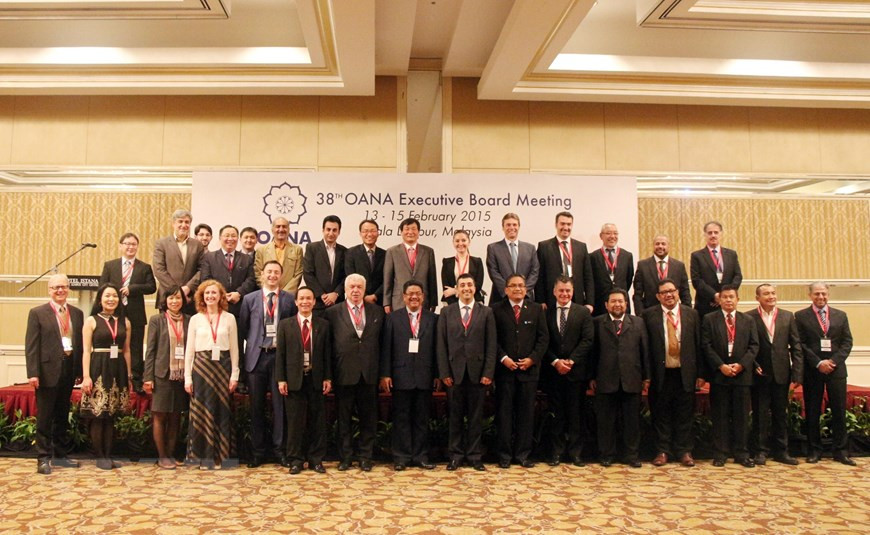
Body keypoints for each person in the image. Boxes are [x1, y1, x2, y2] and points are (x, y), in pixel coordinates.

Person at [238, 260, 297, 467]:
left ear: (281, 276)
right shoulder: (249, 299)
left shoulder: (289, 300)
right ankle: (257, 452)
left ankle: (279, 450)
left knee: (280, 407)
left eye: (276, 272)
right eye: (269, 272)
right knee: (256, 407)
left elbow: (292, 330)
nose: (272, 275)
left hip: (279, 358)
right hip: (256, 358)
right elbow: (244, 329)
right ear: (262, 274)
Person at [437, 273, 497, 471]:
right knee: (454, 417)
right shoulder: (447, 312)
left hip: (478, 373)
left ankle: (474, 455)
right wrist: (444, 371)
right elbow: (441, 345)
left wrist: (488, 372)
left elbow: (491, 345)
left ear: (475, 288)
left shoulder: (486, 312)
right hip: (453, 374)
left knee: (475, 417)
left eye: (470, 285)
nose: (466, 288)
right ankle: (455, 455)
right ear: (457, 288)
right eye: (462, 285)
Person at [25, 273, 84, 475]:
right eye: (55, 287)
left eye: (63, 287)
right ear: (49, 290)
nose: (60, 290)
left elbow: (79, 344)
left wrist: (79, 371)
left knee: (61, 414)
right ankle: (43, 458)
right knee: (45, 416)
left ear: (68, 289)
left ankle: (60, 456)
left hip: (68, 370)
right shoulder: (37, 313)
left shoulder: (76, 313)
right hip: (46, 372)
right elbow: (31, 346)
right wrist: (33, 373)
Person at [642, 278, 703, 467]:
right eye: (664, 292)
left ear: (678, 292)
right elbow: (645, 348)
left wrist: (700, 374)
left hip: (685, 373)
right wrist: (647, 375)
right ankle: (662, 451)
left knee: (684, 414)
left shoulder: (691, 314)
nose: (669, 295)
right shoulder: (648, 315)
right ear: (658, 297)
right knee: (660, 414)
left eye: (672, 291)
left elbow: (698, 345)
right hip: (661, 373)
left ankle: (684, 451)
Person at [326, 274, 384, 471]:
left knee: (369, 418)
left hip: (369, 373)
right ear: (345, 289)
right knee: (344, 419)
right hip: (344, 373)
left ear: (365, 290)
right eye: (352, 287)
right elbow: (328, 347)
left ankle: (366, 457)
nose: (356, 290)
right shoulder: (333, 313)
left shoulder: (377, 312)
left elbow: (383, 345)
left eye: (359, 287)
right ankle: (346, 457)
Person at [380, 280, 439, 471]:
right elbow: (386, 348)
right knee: (401, 418)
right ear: (404, 296)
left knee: (422, 418)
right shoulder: (393, 318)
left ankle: (421, 456)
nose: (414, 297)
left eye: (418, 293)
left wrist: (437, 374)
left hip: (425, 374)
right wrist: (386, 374)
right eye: (410, 293)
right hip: (400, 374)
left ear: (423, 296)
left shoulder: (433, 318)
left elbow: (438, 349)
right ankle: (402, 457)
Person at [492, 274, 548, 469]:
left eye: (521, 286)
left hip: (528, 372)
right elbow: (493, 340)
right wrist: (504, 358)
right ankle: (505, 455)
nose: (517, 289)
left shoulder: (536, 309)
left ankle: (523, 454)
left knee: (526, 414)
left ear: (527, 289)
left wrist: (532, 359)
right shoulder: (496, 309)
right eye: (513, 286)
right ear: (506, 289)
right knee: (504, 414)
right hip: (504, 371)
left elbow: (543, 339)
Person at [795, 282, 855, 466]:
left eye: (823, 294)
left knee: (838, 411)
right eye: (817, 294)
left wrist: (833, 361)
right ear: (810, 295)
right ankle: (814, 450)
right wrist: (819, 363)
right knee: (813, 411)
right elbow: (800, 344)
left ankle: (841, 451)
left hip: (836, 370)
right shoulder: (800, 316)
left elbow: (847, 342)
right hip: (813, 370)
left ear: (828, 294)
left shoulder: (840, 315)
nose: (820, 297)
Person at [590, 288, 649, 468]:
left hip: (631, 378)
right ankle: (606, 454)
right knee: (605, 421)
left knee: (632, 421)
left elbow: (644, 351)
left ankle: (631, 455)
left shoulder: (638, 323)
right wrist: (592, 376)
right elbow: (592, 353)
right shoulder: (597, 323)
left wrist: (647, 377)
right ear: (606, 305)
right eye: (613, 301)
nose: (617, 304)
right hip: (605, 379)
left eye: (621, 301)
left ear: (626, 304)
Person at [184, 280, 240, 470]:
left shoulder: (229, 318)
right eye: (207, 293)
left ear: (221, 296)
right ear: (201, 297)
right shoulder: (195, 319)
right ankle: (201, 457)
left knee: (221, 411)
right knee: (202, 412)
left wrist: (234, 375)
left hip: (222, 368)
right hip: (200, 369)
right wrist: (187, 377)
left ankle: (220, 457)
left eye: (214, 293)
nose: (210, 296)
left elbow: (234, 349)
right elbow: (189, 351)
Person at [701, 284, 758, 468]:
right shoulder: (709, 319)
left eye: (731, 297)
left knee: (742, 416)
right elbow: (706, 346)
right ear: (719, 300)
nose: (728, 300)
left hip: (742, 376)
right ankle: (721, 453)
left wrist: (741, 365)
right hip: (720, 375)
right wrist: (720, 366)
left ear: (737, 300)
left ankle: (741, 453)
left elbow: (754, 346)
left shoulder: (748, 320)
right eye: (724, 297)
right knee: (720, 416)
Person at [276, 287, 332, 474]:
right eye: (302, 299)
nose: (305, 302)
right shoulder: (285, 325)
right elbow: (280, 355)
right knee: (294, 422)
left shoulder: (323, 324)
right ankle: (295, 460)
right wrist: (281, 379)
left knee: (317, 421)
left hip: (316, 378)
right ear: (296, 302)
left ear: (314, 302)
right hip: (294, 379)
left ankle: (316, 459)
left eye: (309, 298)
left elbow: (327, 354)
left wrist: (328, 377)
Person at [746, 283, 803, 466]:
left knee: (780, 413)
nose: (771, 296)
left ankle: (781, 451)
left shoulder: (787, 316)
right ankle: (760, 451)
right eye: (766, 294)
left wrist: (797, 374)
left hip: (782, 373)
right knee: (760, 415)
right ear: (757, 298)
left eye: (773, 293)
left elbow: (796, 347)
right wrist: (753, 365)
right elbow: (746, 346)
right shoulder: (749, 317)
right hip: (759, 374)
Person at [79, 283, 133, 470]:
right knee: (98, 414)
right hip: (98, 367)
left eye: (115, 296)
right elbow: (86, 351)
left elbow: (126, 351)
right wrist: (86, 376)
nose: (111, 299)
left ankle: (109, 455)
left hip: (117, 369)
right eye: (107, 296)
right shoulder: (91, 321)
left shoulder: (125, 322)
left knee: (111, 415)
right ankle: (99, 456)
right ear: (100, 299)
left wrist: (128, 375)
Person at [541, 276, 593, 467]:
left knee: (576, 414)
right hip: (553, 372)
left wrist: (571, 361)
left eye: (568, 291)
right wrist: (555, 361)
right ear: (554, 292)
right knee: (556, 414)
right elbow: (542, 341)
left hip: (576, 372)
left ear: (573, 292)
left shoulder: (583, 312)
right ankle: (556, 452)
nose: (564, 294)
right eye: (561, 290)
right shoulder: (545, 313)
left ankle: (576, 453)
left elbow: (588, 340)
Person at [99, 232, 157, 393]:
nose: (130, 247)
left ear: (137, 247)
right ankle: (114, 377)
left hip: (136, 314)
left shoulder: (144, 267)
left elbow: (152, 287)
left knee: (136, 347)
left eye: (133, 244)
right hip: (114, 313)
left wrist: (132, 289)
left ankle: (136, 380)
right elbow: (102, 286)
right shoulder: (110, 265)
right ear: (121, 246)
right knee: (114, 344)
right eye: (127, 244)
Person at [143, 287, 190, 469]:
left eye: (178, 298)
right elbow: (151, 350)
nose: (174, 301)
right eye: (171, 298)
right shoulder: (157, 320)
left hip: (181, 375)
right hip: (162, 374)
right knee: (160, 416)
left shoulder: (189, 320)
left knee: (176, 416)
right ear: (165, 300)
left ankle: (171, 454)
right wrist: (148, 377)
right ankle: (162, 456)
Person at [535, 212, 593, 312]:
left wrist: (589, 302)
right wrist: (541, 300)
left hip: (577, 298)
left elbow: (588, 276)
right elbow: (540, 276)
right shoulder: (544, 246)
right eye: (562, 224)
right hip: (552, 299)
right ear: (556, 224)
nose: (566, 227)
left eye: (569, 224)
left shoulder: (581, 247)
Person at [153, 209, 205, 315]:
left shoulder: (197, 245)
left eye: (187, 222)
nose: (183, 225)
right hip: (168, 297)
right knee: (167, 331)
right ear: (173, 223)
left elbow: (202, 269)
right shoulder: (161, 244)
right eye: (180, 221)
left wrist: (188, 288)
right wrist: (176, 292)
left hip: (190, 297)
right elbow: (159, 270)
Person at [201, 225, 258, 318]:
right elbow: (205, 280)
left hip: (240, 306)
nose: (230, 238)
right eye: (227, 235)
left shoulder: (247, 259)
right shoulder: (209, 257)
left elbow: (251, 279)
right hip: (216, 305)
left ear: (238, 238)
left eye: (233, 236)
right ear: (220, 238)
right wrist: (221, 294)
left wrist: (239, 293)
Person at [383, 217, 438, 313]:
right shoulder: (392, 252)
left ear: (418, 232)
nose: (410, 232)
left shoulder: (428, 251)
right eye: (407, 229)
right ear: (401, 232)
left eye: (413, 229)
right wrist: (386, 302)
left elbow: (432, 279)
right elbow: (388, 279)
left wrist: (433, 302)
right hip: (399, 301)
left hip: (423, 302)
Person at [690, 221, 743, 318]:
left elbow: (738, 276)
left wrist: (726, 295)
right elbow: (697, 281)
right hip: (706, 305)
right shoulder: (697, 256)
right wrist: (714, 295)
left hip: (728, 304)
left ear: (721, 234)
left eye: (716, 232)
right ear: (705, 235)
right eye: (710, 233)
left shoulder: (731, 254)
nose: (713, 235)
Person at [486, 213, 539, 304]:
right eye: (508, 225)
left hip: (525, 299)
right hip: (501, 299)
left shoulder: (530, 248)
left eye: (514, 224)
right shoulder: (493, 248)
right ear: (503, 227)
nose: (511, 227)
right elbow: (493, 272)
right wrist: (508, 291)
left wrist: (523, 290)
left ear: (519, 227)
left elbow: (534, 271)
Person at [632, 234, 692, 312]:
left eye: (663, 244)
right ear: (653, 246)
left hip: (673, 312)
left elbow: (685, 293)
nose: (660, 246)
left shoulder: (679, 266)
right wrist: (640, 315)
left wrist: (686, 313)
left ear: (668, 246)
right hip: (650, 313)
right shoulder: (642, 266)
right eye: (657, 244)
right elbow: (637, 295)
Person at [304, 215, 347, 315]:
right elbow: (308, 274)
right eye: (328, 229)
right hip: (318, 303)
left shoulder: (345, 251)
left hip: (337, 303)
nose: (331, 233)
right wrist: (322, 295)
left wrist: (336, 293)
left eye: (334, 230)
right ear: (323, 230)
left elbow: (346, 276)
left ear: (339, 232)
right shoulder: (312, 248)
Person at [589, 223, 635, 317]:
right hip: (600, 306)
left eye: (615, 233)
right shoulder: (592, 257)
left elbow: (628, 279)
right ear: (601, 236)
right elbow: (591, 281)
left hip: (621, 305)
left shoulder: (627, 256)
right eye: (608, 233)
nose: (612, 236)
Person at [254, 217, 304, 293]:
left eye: (284, 227)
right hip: (268, 296)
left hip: (289, 296)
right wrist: (270, 290)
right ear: (272, 230)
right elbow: (258, 274)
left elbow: (298, 274)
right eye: (278, 226)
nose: (281, 229)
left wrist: (284, 294)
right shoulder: (261, 250)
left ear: (288, 230)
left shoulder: (297, 250)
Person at [344, 219, 386, 306]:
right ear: (360, 234)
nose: (369, 234)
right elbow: (350, 276)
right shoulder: (351, 253)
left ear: (378, 233)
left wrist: (375, 295)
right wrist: (365, 296)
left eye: (373, 231)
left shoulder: (385, 254)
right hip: (357, 300)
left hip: (379, 301)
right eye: (365, 231)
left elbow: (387, 279)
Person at [441, 229, 485, 305]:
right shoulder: (447, 262)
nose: (460, 243)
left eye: (463, 240)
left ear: (469, 242)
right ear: (453, 243)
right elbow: (446, 288)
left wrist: (456, 291)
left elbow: (478, 285)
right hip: (451, 302)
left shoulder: (477, 261)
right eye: (457, 241)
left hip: (474, 301)